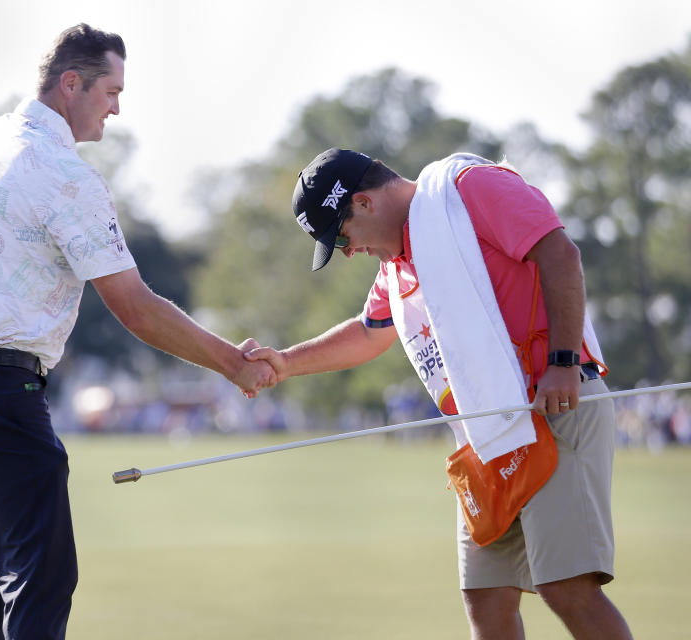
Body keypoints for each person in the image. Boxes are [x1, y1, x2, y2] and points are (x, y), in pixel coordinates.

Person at [0, 24, 275, 639]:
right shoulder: (64, 175)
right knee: (38, 580)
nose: (118, 107)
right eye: (111, 90)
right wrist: (232, 363)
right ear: (70, 84)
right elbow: (135, 307)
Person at [245, 148, 632, 639]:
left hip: (555, 404)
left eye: (341, 236)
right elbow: (369, 332)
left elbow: (560, 254)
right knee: (485, 599)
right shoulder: (400, 261)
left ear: (363, 204)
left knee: (567, 589)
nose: (347, 251)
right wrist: (284, 364)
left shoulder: (470, 188)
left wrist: (562, 361)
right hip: (486, 436)